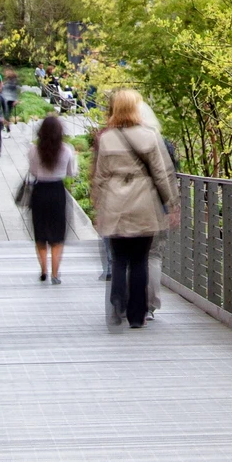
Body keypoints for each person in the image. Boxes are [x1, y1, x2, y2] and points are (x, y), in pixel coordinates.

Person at [89, 89, 178, 330]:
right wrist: (171, 202)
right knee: (140, 259)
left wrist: (96, 203)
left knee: (119, 258)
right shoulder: (149, 136)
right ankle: (137, 314)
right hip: (143, 203)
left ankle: (117, 303)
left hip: (116, 203)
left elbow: (100, 176)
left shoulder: (107, 138)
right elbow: (161, 174)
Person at [25, 115, 79, 283]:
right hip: (57, 191)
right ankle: (55, 274)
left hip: (39, 191)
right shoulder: (66, 149)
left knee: (40, 232)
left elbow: (33, 171)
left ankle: (43, 270)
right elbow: (72, 173)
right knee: (57, 233)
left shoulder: (33, 150)